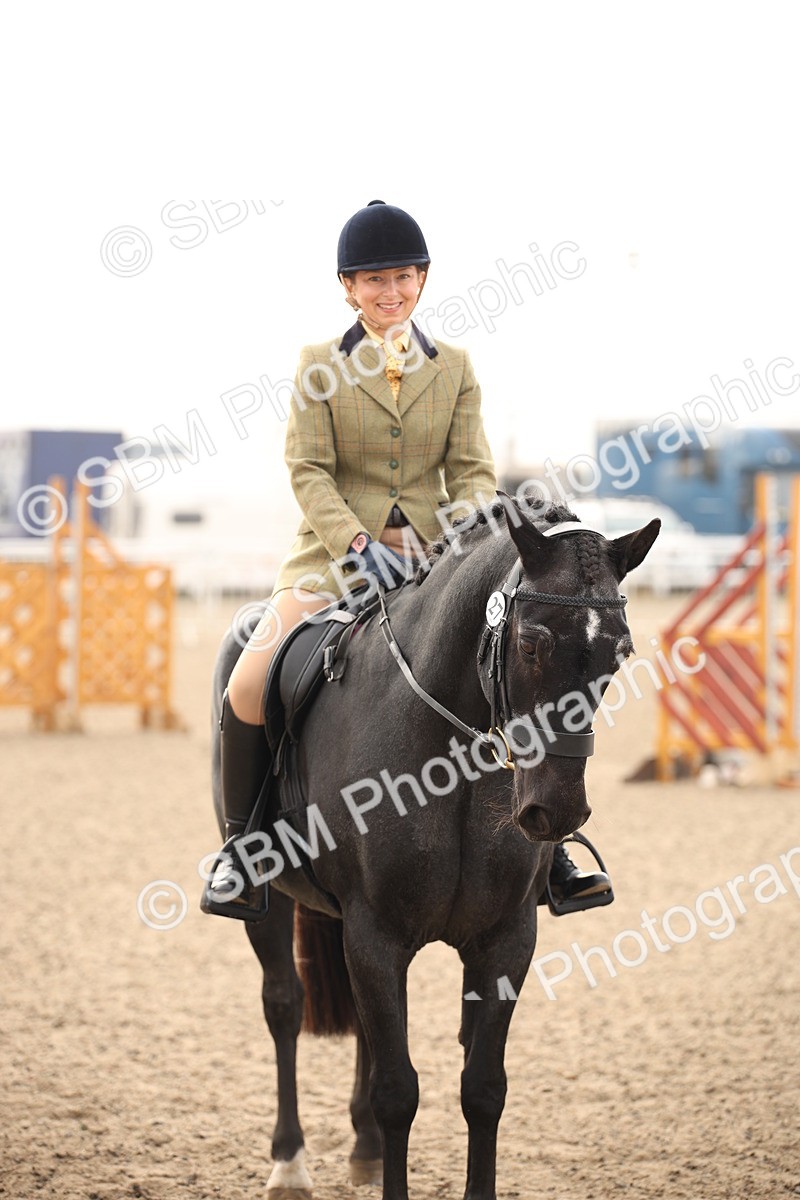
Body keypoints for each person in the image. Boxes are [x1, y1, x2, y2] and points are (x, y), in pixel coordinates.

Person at [201, 200, 611, 920]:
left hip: (434, 560)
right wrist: (358, 544)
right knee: (247, 682)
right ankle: (243, 852)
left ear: (422, 279)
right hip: (330, 561)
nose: (389, 292)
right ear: (347, 287)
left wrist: (453, 541)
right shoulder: (317, 367)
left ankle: (551, 857)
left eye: (402, 277)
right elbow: (308, 470)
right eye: (373, 280)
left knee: (512, 669)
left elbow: (474, 473)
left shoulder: (453, 368)